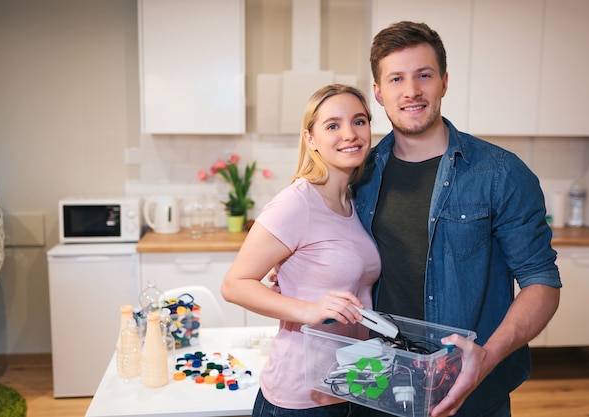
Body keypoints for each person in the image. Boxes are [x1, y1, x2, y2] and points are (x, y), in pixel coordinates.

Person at [351, 21, 562, 417]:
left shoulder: (500, 173)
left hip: (471, 390)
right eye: (396, 78)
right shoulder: (360, 173)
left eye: (424, 75)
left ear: (444, 82)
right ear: (378, 92)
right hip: (377, 381)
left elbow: (542, 283)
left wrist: (487, 355)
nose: (411, 91)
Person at [221, 84, 381, 417]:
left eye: (359, 121)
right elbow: (234, 284)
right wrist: (309, 310)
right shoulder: (297, 203)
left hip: (350, 383)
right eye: (333, 125)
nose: (349, 134)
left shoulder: (355, 202)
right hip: (299, 396)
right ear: (310, 139)